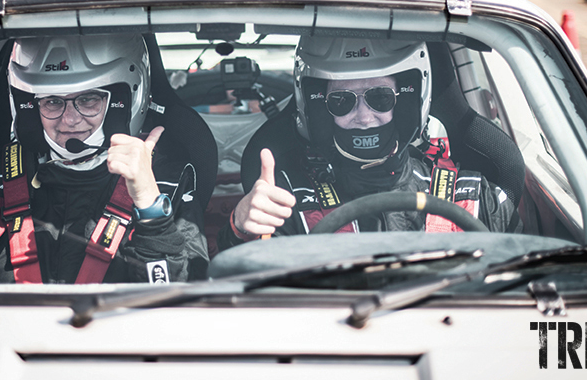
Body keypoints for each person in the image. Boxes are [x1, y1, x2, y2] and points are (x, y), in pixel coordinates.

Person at [0, 34, 209, 284]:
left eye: (88, 99)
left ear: (123, 100)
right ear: (28, 106)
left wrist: (149, 206)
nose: (70, 120)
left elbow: (175, 299)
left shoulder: (163, 179)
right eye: (51, 102)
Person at [217, 37, 516, 250]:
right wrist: (241, 228)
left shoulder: (472, 196)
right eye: (341, 101)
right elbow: (244, 296)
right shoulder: (287, 201)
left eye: (380, 97)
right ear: (319, 109)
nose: (363, 117)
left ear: (407, 103)